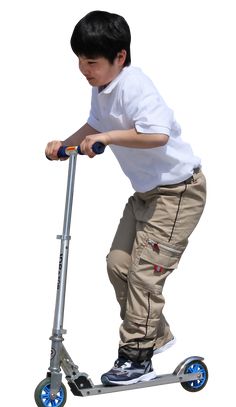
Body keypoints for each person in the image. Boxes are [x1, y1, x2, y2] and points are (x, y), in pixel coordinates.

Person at [45, 10, 206, 386]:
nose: (84, 69)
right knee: (118, 264)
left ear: (120, 57)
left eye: (92, 62)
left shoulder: (135, 85)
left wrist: (108, 139)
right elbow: (96, 126)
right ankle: (155, 336)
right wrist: (65, 144)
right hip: (146, 195)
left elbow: (157, 135)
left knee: (145, 275)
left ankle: (136, 356)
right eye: (80, 61)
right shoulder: (101, 89)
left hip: (179, 192)